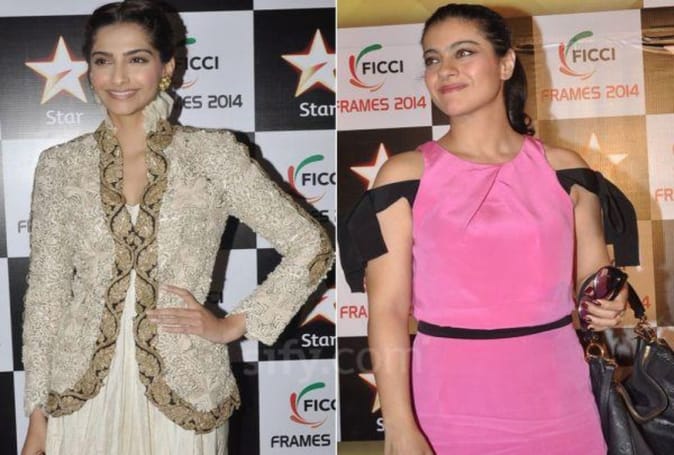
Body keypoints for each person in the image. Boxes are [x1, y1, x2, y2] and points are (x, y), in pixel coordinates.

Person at [20, 1, 333, 454]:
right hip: (78, 395)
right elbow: (45, 295)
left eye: (137, 59)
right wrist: (36, 413)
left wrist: (233, 325)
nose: (119, 77)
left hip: (188, 389)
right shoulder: (60, 166)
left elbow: (311, 244)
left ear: (166, 67)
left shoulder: (212, 154)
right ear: (90, 70)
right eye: (104, 61)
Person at [339, 3, 639, 454]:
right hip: (449, 406)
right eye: (433, 58)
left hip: (561, 399)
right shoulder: (404, 178)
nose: (445, 70)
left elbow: (593, 286)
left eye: (464, 52)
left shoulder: (567, 172)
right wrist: (400, 426)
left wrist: (610, 301)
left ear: (505, 63)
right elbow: (387, 310)